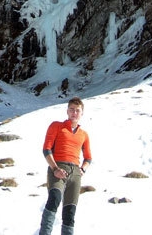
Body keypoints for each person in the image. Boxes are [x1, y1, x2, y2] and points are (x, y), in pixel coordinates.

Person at [38, 97, 92, 235]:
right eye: (72, 110)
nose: (74, 113)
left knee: (70, 212)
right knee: (54, 198)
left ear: (82, 113)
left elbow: (88, 157)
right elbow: (46, 149)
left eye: (77, 110)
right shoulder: (56, 126)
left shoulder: (84, 135)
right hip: (58, 168)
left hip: (75, 173)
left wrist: (82, 169)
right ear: (67, 111)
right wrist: (55, 169)